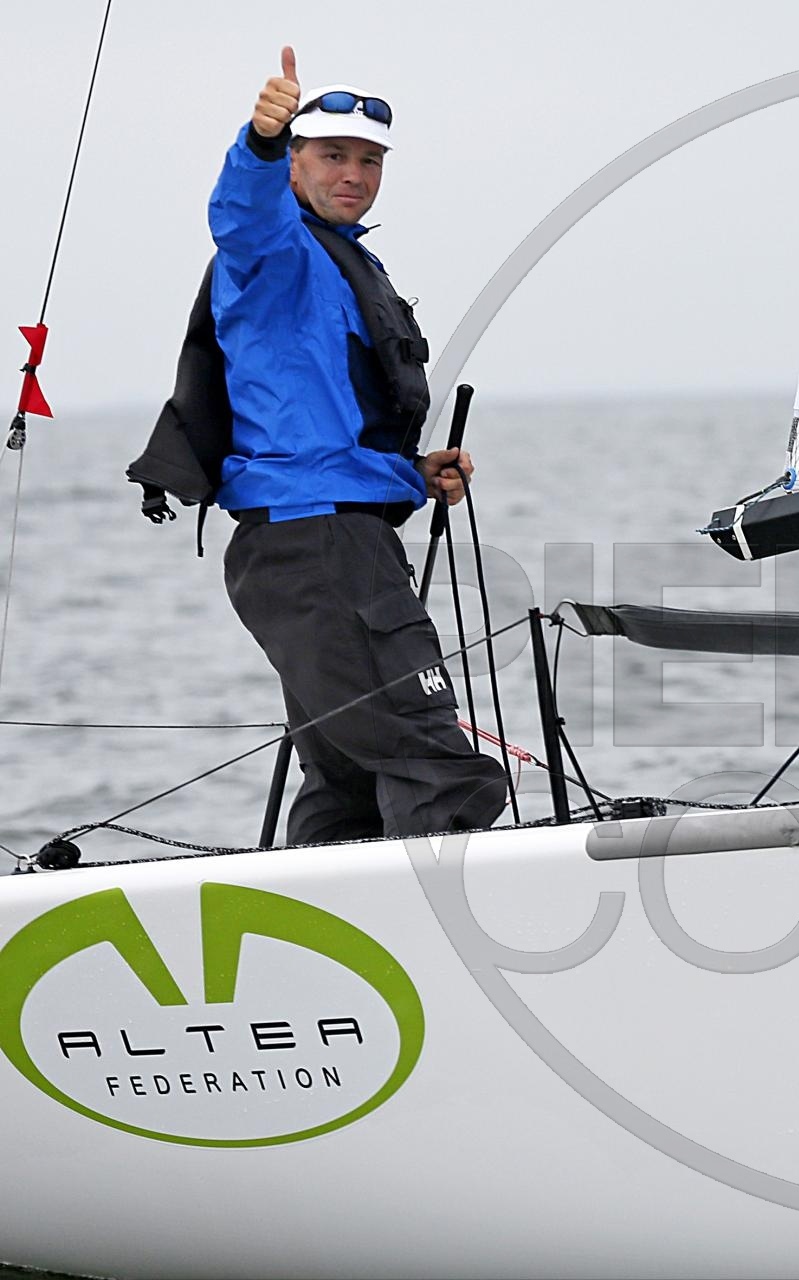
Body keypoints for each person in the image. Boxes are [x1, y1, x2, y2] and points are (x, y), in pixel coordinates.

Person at [172, 48, 508, 842]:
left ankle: (321, 914)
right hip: (320, 546)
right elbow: (241, 213)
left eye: (369, 160)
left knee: (349, 783)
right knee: (440, 769)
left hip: (327, 539)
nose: (353, 173)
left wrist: (410, 472)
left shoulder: (343, 257)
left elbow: (321, 421)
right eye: (332, 155)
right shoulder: (275, 249)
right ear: (294, 163)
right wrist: (258, 141)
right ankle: (441, 919)